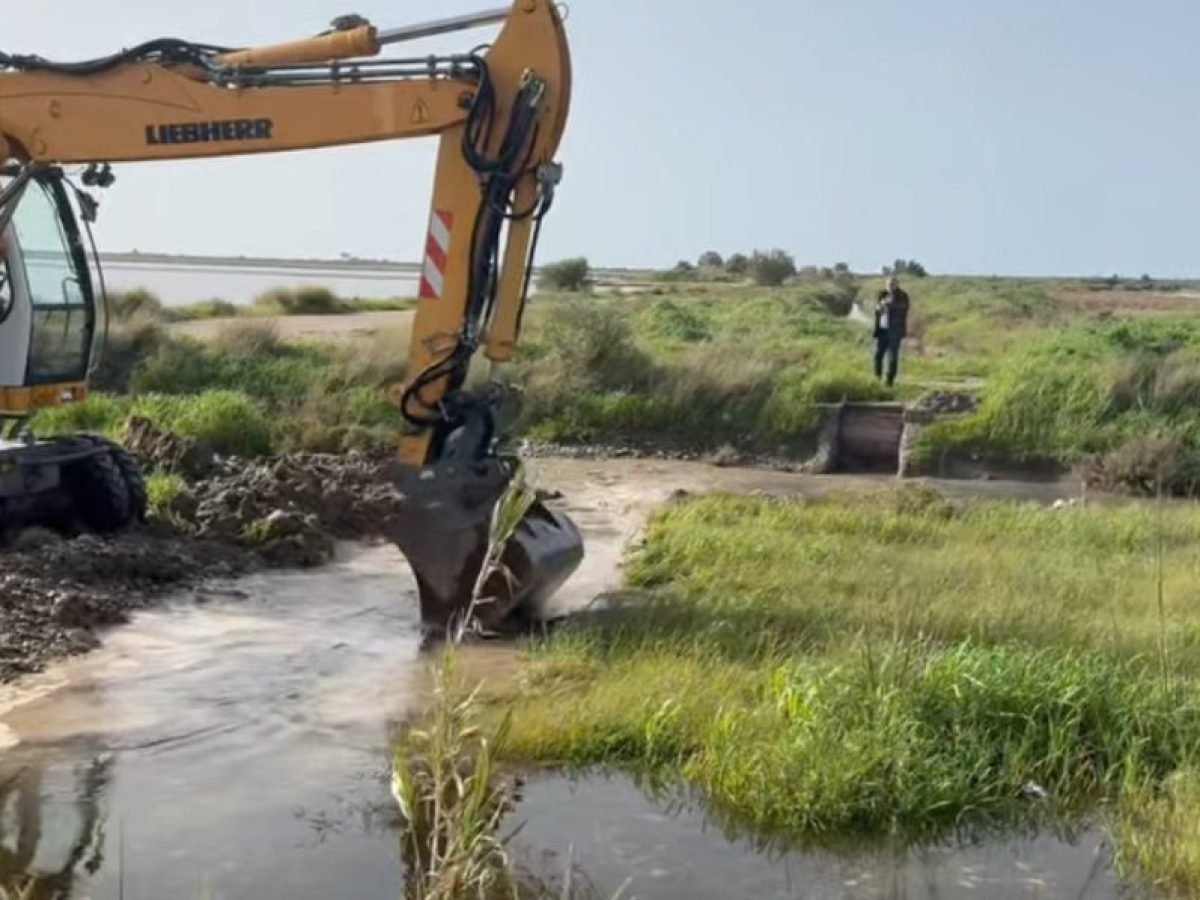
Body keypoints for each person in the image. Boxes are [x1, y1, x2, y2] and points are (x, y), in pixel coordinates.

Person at [873, 275, 910, 387]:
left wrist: (888, 304)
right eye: (888, 284)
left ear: (897, 285)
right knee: (878, 355)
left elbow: (902, 307)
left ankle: (890, 380)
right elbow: (878, 309)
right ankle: (877, 377)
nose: (890, 286)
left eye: (892, 284)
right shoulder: (883, 294)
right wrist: (878, 308)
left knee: (892, 356)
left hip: (894, 330)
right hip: (882, 329)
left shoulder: (902, 296)